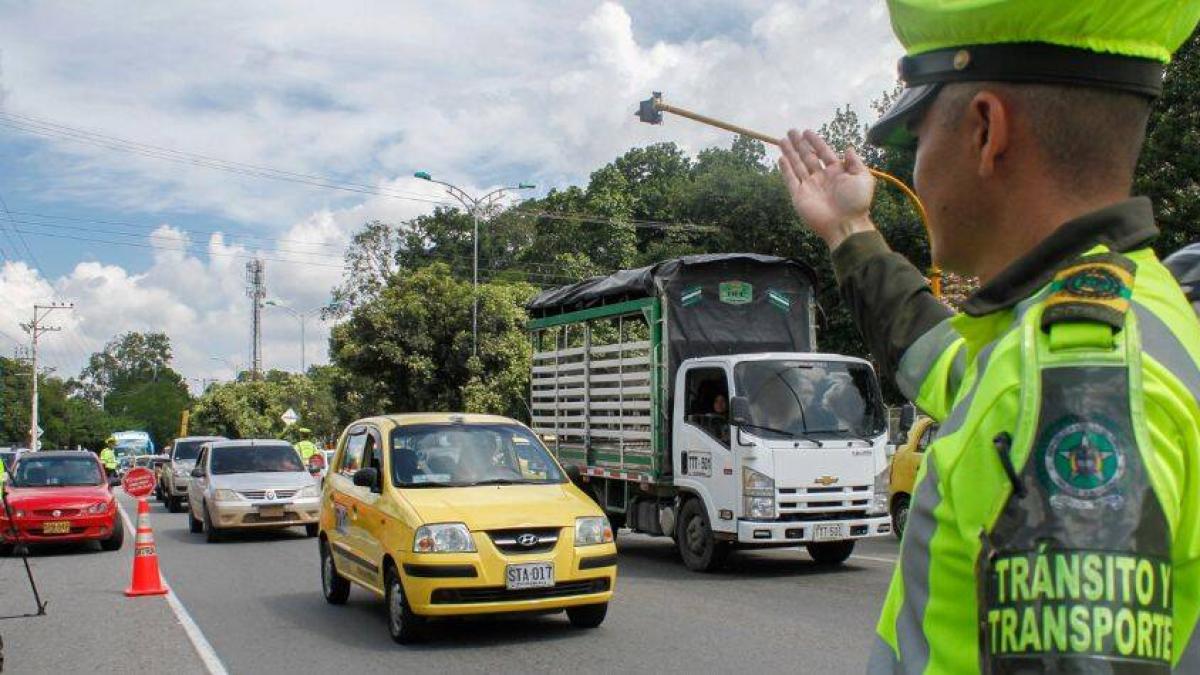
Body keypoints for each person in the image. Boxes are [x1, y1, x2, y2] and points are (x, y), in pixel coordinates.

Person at [778, 2, 1200, 672]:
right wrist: (846, 229)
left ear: (985, 129)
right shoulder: (1117, 316)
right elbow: (942, 359)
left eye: (916, 138)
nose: (914, 170)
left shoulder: (1074, 385)